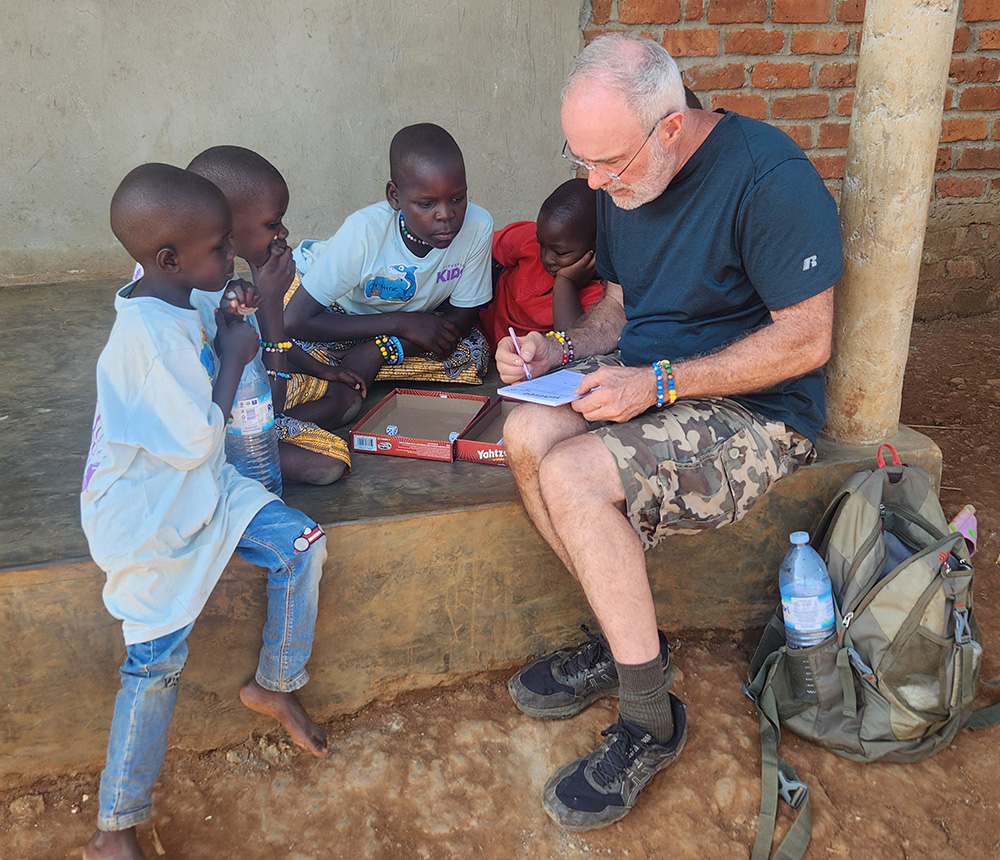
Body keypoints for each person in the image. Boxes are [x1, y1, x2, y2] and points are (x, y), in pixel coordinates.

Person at [496, 34, 842, 831]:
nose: (594, 181)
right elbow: (620, 304)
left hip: (756, 413)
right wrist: (563, 348)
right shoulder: (625, 182)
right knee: (525, 436)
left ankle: (651, 718)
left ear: (673, 128)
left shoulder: (769, 177)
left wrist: (657, 382)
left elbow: (807, 340)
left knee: (574, 475)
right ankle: (619, 640)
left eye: (608, 162)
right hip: (651, 389)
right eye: (579, 160)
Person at [81, 164, 330, 860]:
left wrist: (227, 314)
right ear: (168, 259)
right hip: (149, 523)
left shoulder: (169, 295)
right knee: (154, 666)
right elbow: (195, 434)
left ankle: (273, 684)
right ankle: (115, 825)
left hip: (204, 490)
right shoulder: (142, 342)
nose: (231, 260)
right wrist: (232, 352)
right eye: (221, 249)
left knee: (302, 544)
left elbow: (201, 446)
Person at [284, 123, 493, 429]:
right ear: (394, 197)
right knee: (283, 347)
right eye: (426, 204)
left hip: (403, 326)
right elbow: (295, 321)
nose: (446, 214)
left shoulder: (477, 225)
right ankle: (339, 380)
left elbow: (462, 319)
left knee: (473, 353)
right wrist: (401, 323)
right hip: (335, 311)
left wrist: (380, 349)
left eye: (457, 199)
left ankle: (358, 369)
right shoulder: (363, 233)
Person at [186, 145, 366, 485]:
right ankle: (238, 461)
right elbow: (270, 401)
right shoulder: (192, 300)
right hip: (213, 426)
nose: (282, 234)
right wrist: (269, 302)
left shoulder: (214, 271)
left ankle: (279, 432)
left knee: (344, 395)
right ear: (224, 226)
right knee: (330, 462)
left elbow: (253, 339)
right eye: (273, 223)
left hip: (247, 394)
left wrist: (320, 369)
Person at [478, 178, 604, 352]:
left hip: (502, 350)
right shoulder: (530, 240)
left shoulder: (597, 294)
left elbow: (568, 342)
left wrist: (566, 282)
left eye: (560, 253)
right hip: (477, 315)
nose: (546, 258)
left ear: (597, 247)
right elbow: (478, 249)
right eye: (541, 244)